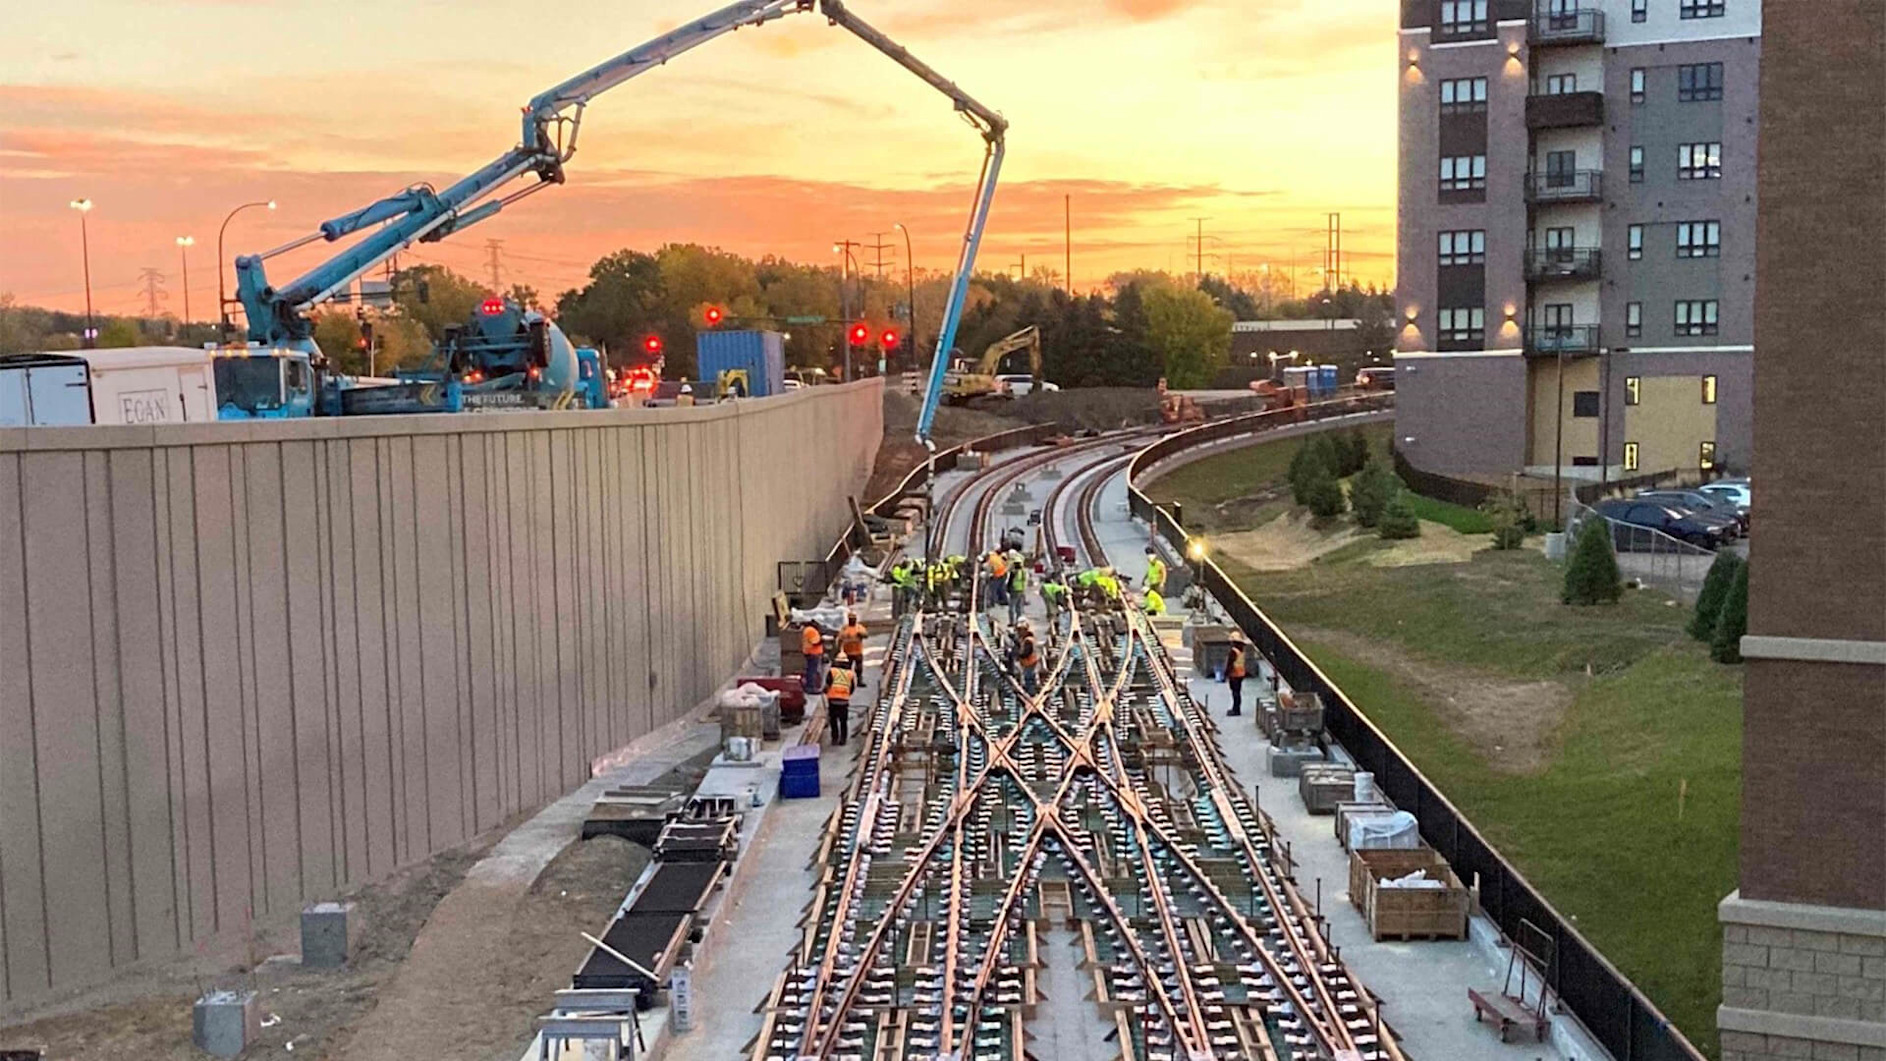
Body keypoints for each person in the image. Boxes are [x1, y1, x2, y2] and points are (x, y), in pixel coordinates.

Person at [824, 654, 855, 745]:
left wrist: (825, 691)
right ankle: (843, 739)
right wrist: (846, 694)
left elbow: (827, 684)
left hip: (833, 700)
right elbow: (852, 688)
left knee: (833, 720)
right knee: (843, 721)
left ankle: (834, 738)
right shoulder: (850, 674)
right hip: (844, 701)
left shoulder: (832, 671)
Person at [1015, 620, 1040, 696]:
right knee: (1030, 677)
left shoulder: (1028, 640)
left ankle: (1031, 694)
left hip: (1029, 662)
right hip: (1030, 662)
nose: (1018, 632)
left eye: (1020, 630)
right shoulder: (1026, 639)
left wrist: (1018, 655)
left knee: (1029, 678)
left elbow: (1026, 652)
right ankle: (1031, 691)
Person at [800, 620, 825, 693]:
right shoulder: (811, 631)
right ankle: (811, 687)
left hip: (809, 652)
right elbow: (815, 642)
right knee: (812, 671)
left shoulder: (807, 630)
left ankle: (810, 686)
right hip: (813, 653)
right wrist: (822, 640)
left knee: (810, 670)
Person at [1226, 639, 1247, 717]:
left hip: (1234, 674)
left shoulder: (1233, 652)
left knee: (1235, 693)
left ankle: (1236, 710)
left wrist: (1226, 674)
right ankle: (1236, 709)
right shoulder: (1241, 651)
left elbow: (1230, 663)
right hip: (1240, 674)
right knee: (1237, 692)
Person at [1006, 555, 1028, 624]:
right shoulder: (1023, 571)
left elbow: (1009, 581)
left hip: (1014, 590)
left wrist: (1007, 589)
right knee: (1019, 607)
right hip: (1021, 590)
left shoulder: (1013, 572)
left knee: (1011, 607)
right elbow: (1025, 580)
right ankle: (1019, 621)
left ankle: (1012, 622)